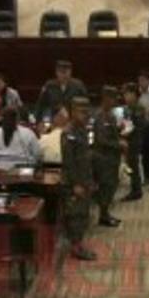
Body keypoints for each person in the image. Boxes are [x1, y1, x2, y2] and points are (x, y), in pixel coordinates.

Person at [61, 96, 97, 260]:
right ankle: (76, 247)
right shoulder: (69, 133)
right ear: (72, 112)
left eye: (86, 111)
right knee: (75, 215)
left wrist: (89, 180)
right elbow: (68, 162)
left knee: (83, 214)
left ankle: (79, 244)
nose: (85, 115)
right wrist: (75, 184)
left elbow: (85, 157)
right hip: (74, 182)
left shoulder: (81, 129)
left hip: (84, 179)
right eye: (81, 111)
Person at [92, 85, 123, 228]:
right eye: (113, 98)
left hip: (112, 158)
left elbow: (111, 134)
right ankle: (103, 216)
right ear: (105, 98)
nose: (115, 101)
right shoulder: (100, 116)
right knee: (106, 187)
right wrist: (118, 144)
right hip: (104, 159)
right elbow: (101, 140)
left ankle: (105, 214)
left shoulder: (110, 115)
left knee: (112, 185)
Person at [120, 82, 145, 202]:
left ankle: (136, 190)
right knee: (130, 165)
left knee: (133, 165)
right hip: (128, 140)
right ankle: (135, 187)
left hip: (134, 140)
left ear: (134, 95)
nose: (125, 97)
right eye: (124, 94)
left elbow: (134, 125)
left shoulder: (138, 108)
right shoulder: (128, 108)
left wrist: (123, 133)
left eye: (127, 94)